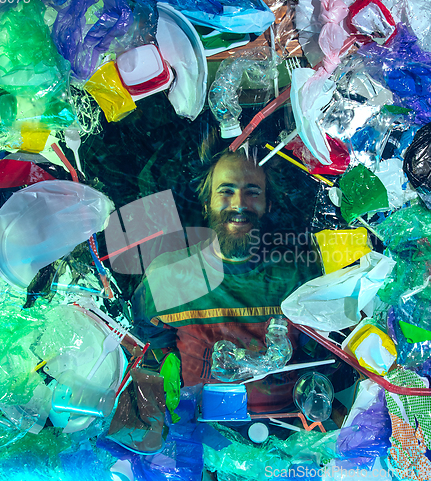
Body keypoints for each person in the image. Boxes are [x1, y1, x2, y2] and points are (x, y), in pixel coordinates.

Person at [131, 147, 322, 412]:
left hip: (288, 425)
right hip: (199, 432)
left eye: (252, 191)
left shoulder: (300, 275)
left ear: (268, 203)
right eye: (226, 190)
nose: (239, 204)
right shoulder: (166, 277)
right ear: (207, 201)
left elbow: (319, 348)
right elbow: (148, 337)